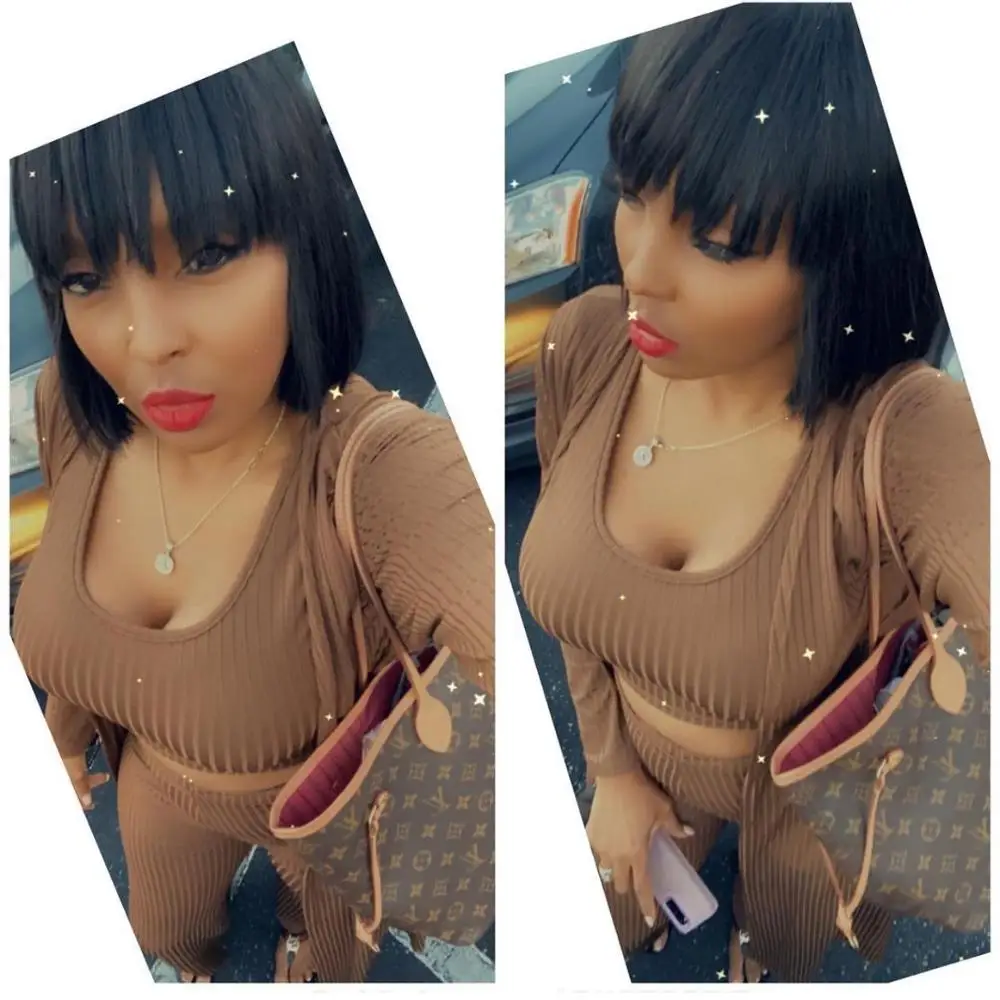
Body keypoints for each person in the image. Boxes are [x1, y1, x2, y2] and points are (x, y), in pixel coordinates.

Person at [518, 4, 988, 984]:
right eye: (634, 193)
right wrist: (611, 771)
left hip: (812, 802)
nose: (641, 269)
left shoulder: (903, 431)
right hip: (637, 761)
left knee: (781, 940)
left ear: (846, 246)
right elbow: (577, 609)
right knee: (613, 926)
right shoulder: (589, 341)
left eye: (722, 242)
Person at [11, 46, 494, 984]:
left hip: (330, 818)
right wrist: (63, 740)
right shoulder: (70, 413)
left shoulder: (383, 471)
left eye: (208, 255)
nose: (147, 341)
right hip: (157, 789)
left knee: (324, 951)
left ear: (303, 240)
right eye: (85, 278)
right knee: (168, 929)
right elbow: (84, 632)